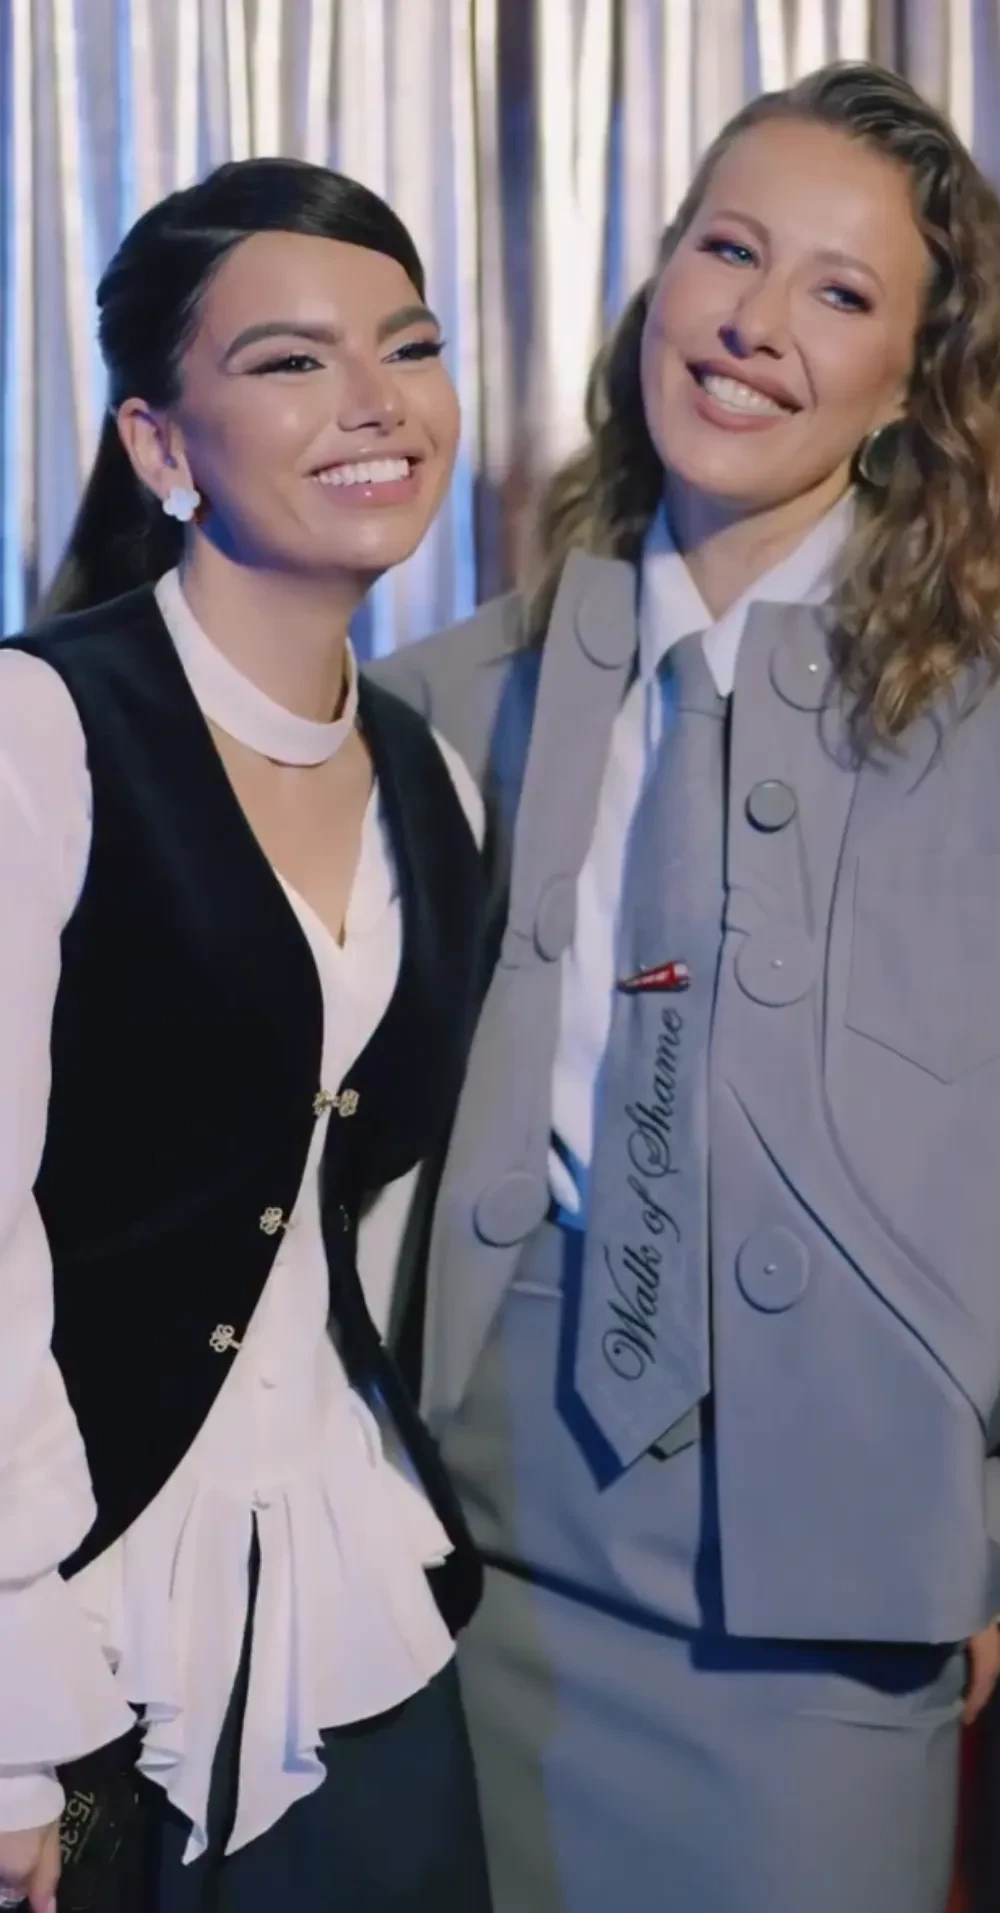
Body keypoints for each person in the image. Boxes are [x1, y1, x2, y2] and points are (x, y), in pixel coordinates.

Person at [372, 60, 1000, 1913]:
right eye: (728, 251)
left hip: (829, 1635)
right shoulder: (441, 703)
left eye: (840, 290)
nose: (753, 322)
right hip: (450, 1589)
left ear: (911, 381)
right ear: (659, 279)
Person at [0, 158, 493, 1913]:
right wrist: (12, 1691)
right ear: (159, 443)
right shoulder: (38, 732)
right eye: (289, 360)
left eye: (408, 346)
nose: (374, 401)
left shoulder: (434, 782)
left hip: (362, 1594)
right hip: (84, 1621)